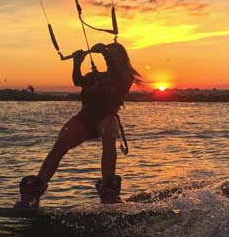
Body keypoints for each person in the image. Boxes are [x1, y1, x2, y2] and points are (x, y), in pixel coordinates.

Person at [15, 42, 142, 209]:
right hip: (85, 118)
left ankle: (108, 191)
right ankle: (34, 194)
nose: (112, 58)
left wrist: (106, 53)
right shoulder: (94, 76)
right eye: (111, 55)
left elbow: (118, 75)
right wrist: (77, 61)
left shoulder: (124, 78)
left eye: (116, 56)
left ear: (122, 59)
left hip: (106, 118)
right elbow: (77, 80)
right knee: (61, 143)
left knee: (110, 133)